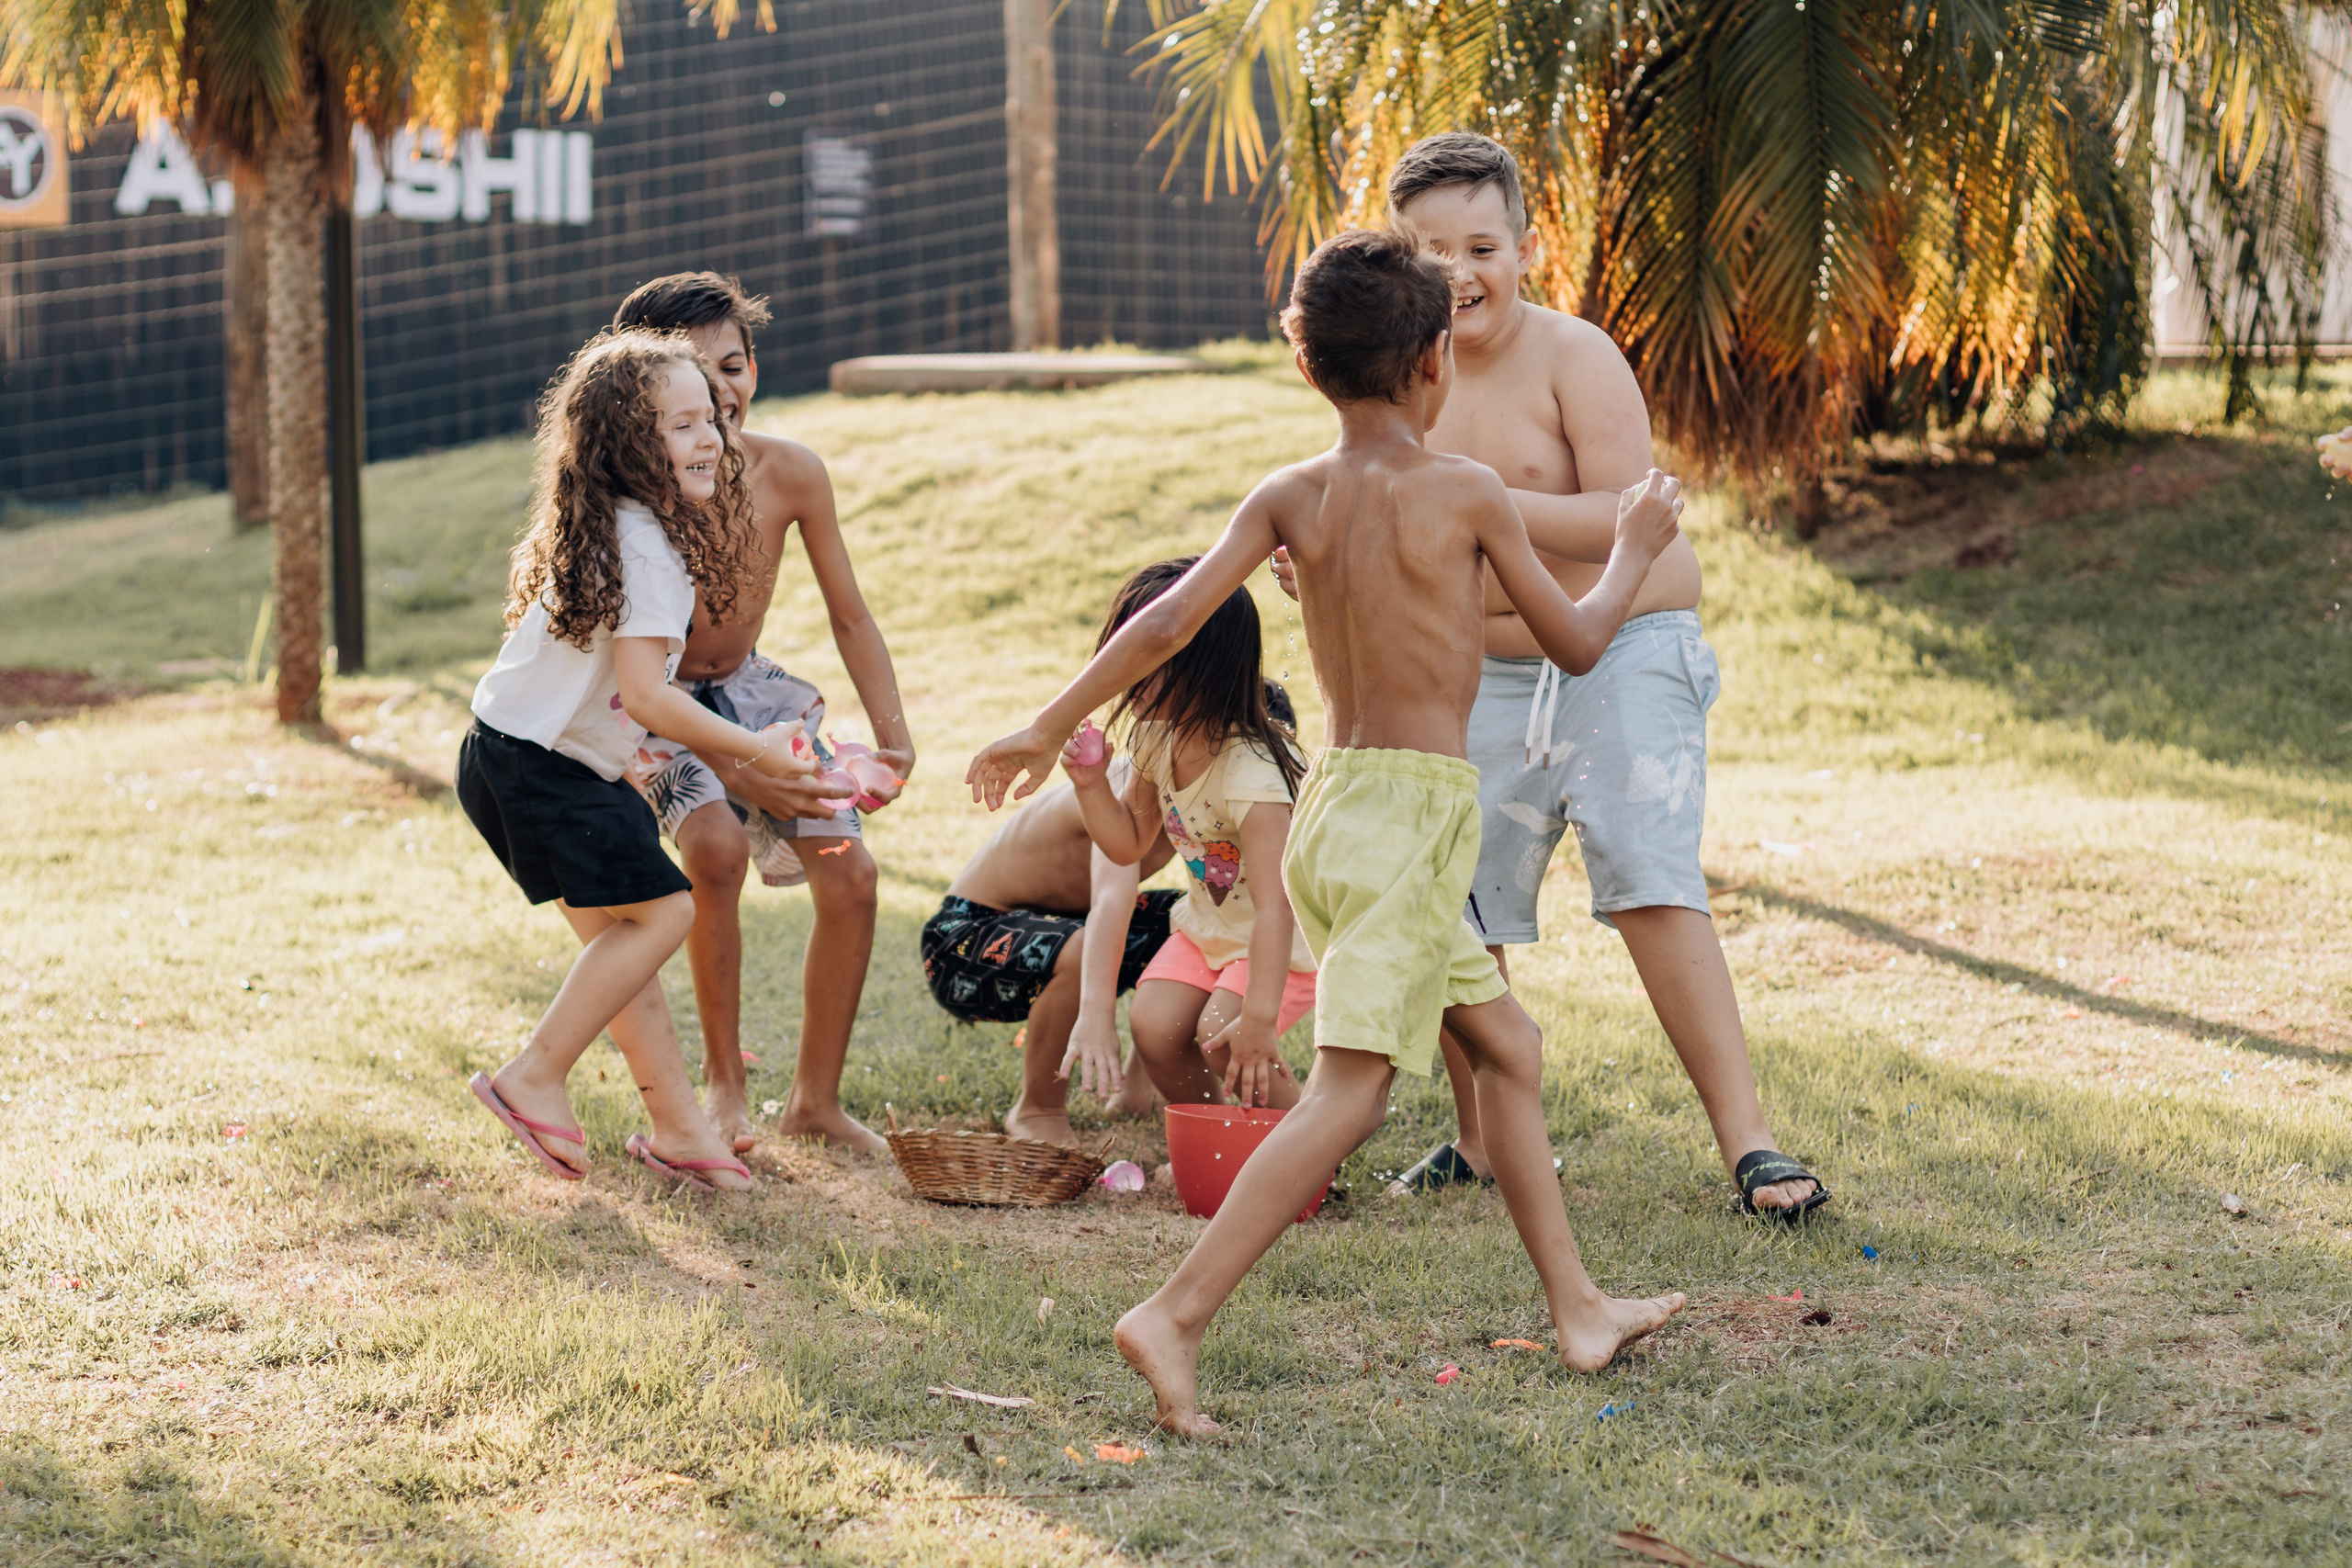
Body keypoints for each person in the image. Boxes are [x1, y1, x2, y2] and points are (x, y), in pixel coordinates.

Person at [968, 229, 1689, 1434]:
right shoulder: (1465, 488)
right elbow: (1576, 638)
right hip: (1408, 814)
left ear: (1312, 370)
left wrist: (1051, 723)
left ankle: (1580, 1307)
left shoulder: (1291, 493)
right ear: (1433, 363)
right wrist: (1630, 550)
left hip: (1345, 805)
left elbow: (1165, 626)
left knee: (1507, 1047)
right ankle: (1176, 1313)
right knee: (1348, 1094)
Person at [1278, 132, 1825, 1219]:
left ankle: (1751, 1144)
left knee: (1646, 873)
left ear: (1527, 245)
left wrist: (1460, 495)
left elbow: (1628, 520)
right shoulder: (1396, 382)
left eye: (1482, 246)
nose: (1460, 274)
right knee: (1445, 880)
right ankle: (1478, 1141)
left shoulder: (1574, 357)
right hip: (1482, 672)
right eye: (1432, 252)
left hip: (1622, 647)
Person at [458, 330, 820, 1194]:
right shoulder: (651, 549)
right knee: (663, 918)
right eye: (681, 425)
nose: (710, 438)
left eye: (711, 421)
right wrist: (754, 749)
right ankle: (534, 1076)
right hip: (541, 767)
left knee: (624, 948)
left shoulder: (613, 524)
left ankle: (681, 1132)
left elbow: (591, 686)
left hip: (513, 755)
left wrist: (616, 758)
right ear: (628, 443)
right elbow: (652, 696)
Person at [611, 274, 914, 1156]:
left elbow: (849, 614)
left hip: (749, 689)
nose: (722, 394)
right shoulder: (632, 494)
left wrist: (892, 733)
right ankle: (723, 1084)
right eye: (694, 378)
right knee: (712, 849)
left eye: (735, 367)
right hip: (658, 702)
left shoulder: (791, 474)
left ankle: (814, 1100)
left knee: (851, 874)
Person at [1060, 560, 1317, 1111]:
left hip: (1284, 942)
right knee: (1154, 1024)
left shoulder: (1254, 773)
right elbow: (1128, 844)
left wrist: (1260, 1017)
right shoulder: (1158, 741)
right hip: (1210, 929)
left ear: (1204, 665)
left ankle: (1307, 1153)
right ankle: (1218, 1143)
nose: (1125, 673)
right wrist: (1089, 785)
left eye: (1146, 656)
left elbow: (1279, 907)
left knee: (1228, 1036)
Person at [922, 758, 1178, 1145]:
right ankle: (1037, 1109)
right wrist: (1098, 1014)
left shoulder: (1212, 800)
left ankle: (1140, 1093)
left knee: (1188, 924)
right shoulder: (1129, 783)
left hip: (1063, 924)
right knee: (1079, 947)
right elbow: (1111, 898)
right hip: (962, 940)